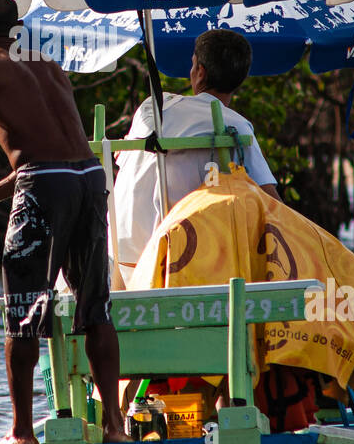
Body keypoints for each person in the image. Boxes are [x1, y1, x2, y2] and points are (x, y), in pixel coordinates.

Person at [0, 0, 129, 444]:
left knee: (21, 311)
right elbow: (56, 158)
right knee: (95, 307)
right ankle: (116, 428)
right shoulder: (46, 63)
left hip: (49, 185)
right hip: (88, 180)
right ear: (17, 27)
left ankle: (21, 433)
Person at [114, 29, 281, 282]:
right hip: (182, 260)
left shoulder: (152, 108)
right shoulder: (235, 125)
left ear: (200, 72)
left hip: (122, 254)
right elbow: (274, 205)